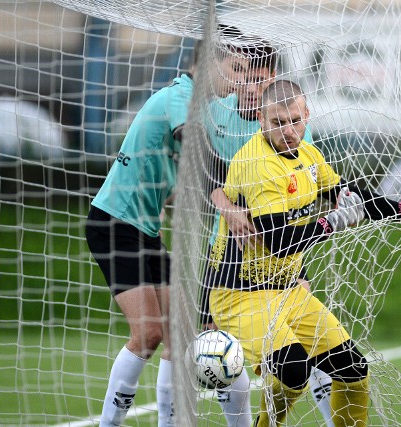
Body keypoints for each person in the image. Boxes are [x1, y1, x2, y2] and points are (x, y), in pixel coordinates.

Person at [206, 79, 401, 427]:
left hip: (287, 292)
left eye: (295, 120)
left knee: (354, 370)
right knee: (294, 370)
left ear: (306, 114)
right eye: (277, 122)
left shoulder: (310, 157)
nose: (288, 130)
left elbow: (355, 195)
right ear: (260, 120)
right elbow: (279, 242)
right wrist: (332, 222)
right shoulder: (257, 165)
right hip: (239, 294)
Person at [84, 26, 254, 427]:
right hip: (114, 223)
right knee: (147, 335)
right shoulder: (183, 98)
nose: (243, 80)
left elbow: (186, 178)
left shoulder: (202, 108)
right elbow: (199, 154)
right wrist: (241, 191)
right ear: (210, 61)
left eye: (249, 72)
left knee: (179, 336)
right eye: (237, 68)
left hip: (145, 230)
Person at [200, 41, 335, 427]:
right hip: (227, 254)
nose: (249, 85)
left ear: (272, 80)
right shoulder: (216, 115)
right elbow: (205, 173)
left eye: (259, 78)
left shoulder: (289, 129)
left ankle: (328, 418)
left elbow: (312, 184)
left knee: (304, 348)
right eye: (243, 75)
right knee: (217, 352)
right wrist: (229, 207)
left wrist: (318, 216)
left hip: (282, 256)